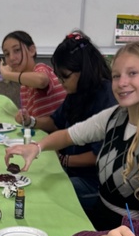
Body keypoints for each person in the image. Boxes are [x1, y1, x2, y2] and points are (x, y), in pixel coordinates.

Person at [6, 40, 139, 230]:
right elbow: (68, 135)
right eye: (116, 75)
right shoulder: (113, 116)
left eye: (132, 73)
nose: (122, 83)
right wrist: (36, 147)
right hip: (99, 219)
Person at [19, 30, 115, 224]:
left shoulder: (107, 100)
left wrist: (63, 159)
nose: (61, 83)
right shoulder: (76, 92)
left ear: (84, 71)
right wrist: (31, 122)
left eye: (65, 77)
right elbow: (59, 124)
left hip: (94, 184)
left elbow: (98, 155)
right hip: (72, 171)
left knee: (46, 197)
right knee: (36, 184)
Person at [0, 30, 66, 119]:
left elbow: (41, 81)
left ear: (31, 50)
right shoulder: (24, 86)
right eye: (7, 54)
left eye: (17, 50)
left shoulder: (40, 68)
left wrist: (7, 74)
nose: (11, 58)